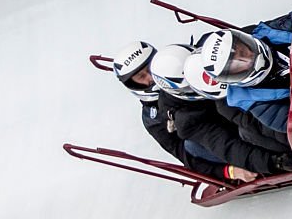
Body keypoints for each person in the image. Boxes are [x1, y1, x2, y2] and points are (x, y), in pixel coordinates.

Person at [110, 41, 258, 183]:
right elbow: (187, 156)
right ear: (134, 84)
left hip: (243, 118)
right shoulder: (152, 118)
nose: (151, 78)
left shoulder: (183, 66)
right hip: (222, 142)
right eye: (142, 77)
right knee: (190, 145)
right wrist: (228, 171)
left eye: (149, 69)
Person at [148, 44, 292, 176]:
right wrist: (274, 162)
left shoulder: (213, 48)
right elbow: (226, 146)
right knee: (245, 131)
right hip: (251, 134)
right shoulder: (187, 120)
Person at [200, 5, 292, 133]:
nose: (247, 58)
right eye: (237, 64)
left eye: (242, 50)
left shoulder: (269, 32)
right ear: (232, 77)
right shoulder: (260, 104)